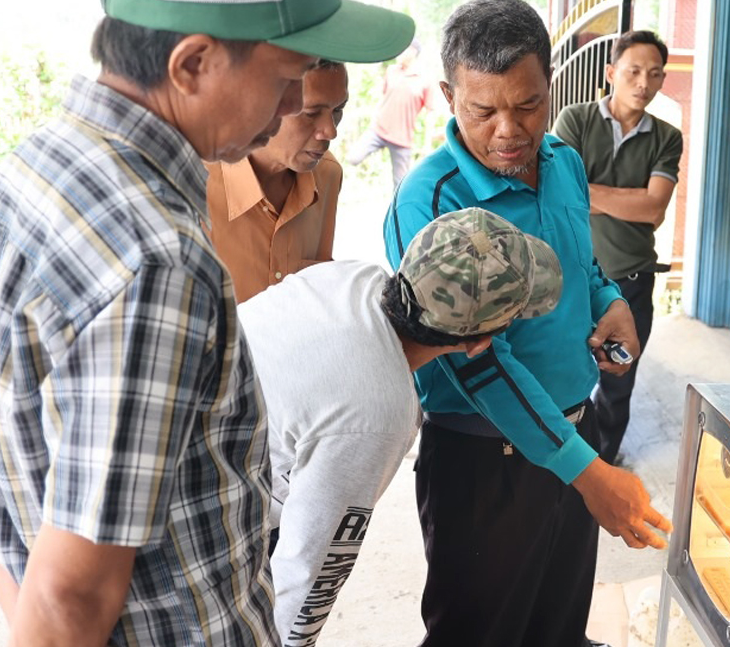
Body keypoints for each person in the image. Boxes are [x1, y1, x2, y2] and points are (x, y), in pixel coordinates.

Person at [0, 0, 414, 645]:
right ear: (192, 64)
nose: (294, 108)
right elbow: (72, 596)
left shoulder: (25, 177)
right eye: (287, 78)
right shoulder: (157, 261)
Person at [383, 0, 672, 647]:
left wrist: (612, 304)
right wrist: (589, 472)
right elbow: (476, 364)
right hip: (487, 458)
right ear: (448, 95)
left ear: (552, 88)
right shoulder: (432, 201)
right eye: (483, 110)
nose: (508, 130)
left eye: (528, 104)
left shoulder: (565, 163)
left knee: (557, 624)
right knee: (482, 632)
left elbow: (582, 265)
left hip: (575, 427)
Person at [238, 207, 561, 646]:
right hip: (204, 518)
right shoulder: (380, 413)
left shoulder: (347, 277)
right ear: (477, 344)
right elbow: (309, 566)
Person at [553, 29, 683, 464]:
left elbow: (653, 209)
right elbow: (558, 193)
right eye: (633, 71)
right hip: (572, 275)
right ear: (611, 73)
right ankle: (560, 461)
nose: (643, 82)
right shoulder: (575, 120)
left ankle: (602, 465)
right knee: (560, 371)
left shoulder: (666, 137)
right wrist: (626, 199)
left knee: (618, 378)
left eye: (655, 74)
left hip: (630, 278)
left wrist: (587, 192)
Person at [207, 60, 350, 302]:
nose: (330, 131)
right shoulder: (191, 186)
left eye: (338, 110)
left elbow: (318, 288)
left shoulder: (328, 174)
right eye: (311, 113)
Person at [346, 39, 443, 186]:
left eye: (403, 49)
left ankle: (395, 209)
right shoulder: (391, 71)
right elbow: (384, 97)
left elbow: (430, 113)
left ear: (412, 52)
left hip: (402, 140)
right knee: (353, 157)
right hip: (379, 131)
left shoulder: (424, 80)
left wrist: (427, 145)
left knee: (401, 185)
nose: (399, 53)